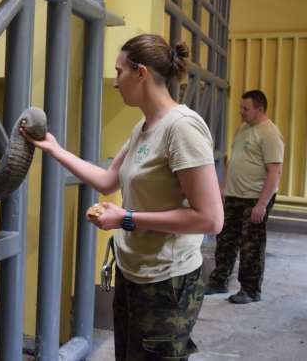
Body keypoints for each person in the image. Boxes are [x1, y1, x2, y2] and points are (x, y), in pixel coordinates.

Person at [21, 34, 224, 360]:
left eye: (119, 72)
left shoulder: (182, 128)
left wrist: (126, 218)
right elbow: (106, 181)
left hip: (167, 281)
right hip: (133, 272)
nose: (115, 82)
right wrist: (55, 149)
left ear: (141, 73)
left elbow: (211, 218)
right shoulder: (143, 127)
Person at [204, 90, 284, 304]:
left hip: (254, 198)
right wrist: (222, 188)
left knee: (251, 245)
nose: (240, 111)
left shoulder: (270, 134)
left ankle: (250, 290)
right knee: (226, 239)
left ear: (260, 109)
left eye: (245, 108)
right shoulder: (243, 128)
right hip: (234, 194)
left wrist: (262, 205)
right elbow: (234, 160)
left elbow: (275, 172)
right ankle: (219, 280)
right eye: (240, 107)